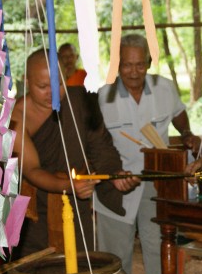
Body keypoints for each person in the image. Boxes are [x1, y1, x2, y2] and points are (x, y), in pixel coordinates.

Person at [11, 49, 139, 258]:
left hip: (76, 201)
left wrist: (115, 174)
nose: (53, 93)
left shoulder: (79, 101)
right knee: (39, 269)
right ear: (26, 81)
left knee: (80, 264)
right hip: (36, 208)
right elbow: (32, 170)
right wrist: (69, 186)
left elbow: (101, 147)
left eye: (59, 84)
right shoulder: (18, 116)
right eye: (43, 87)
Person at [95, 33, 200, 274]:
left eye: (139, 64)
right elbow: (95, 142)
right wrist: (110, 174)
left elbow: (178, 113)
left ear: (149, 62)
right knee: (115, 253)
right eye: (127, 65)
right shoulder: (103, 96)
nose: (134, 72)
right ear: (117, 65)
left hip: (156, 180)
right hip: (118, 183)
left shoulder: (164, 88)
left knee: (159, 246)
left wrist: (186, 133)